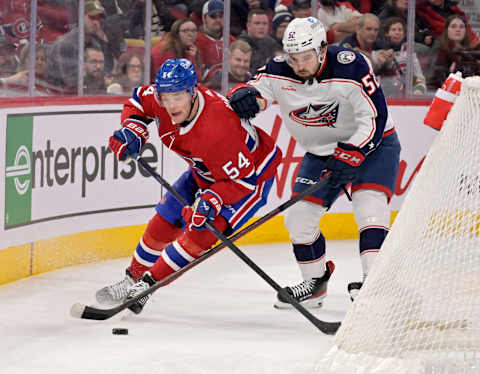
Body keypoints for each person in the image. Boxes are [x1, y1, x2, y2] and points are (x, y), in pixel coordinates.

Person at [227, 17, 401, 308]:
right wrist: (244, 98)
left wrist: (352, 152)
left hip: (373, 146)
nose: (299, 65)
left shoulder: (351, 65)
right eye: (294, 58)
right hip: (321, 152)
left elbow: (374, 117)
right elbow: (256, 91)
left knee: (369, 207)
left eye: (306, 57)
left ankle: (375, 283)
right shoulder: (279, 68)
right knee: (298, 219)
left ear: (322, 49)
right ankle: (315, 284)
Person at [97, 58, 282, 314]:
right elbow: (138, 102)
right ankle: (131, 280)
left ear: (192, 92)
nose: (170, 105)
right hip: (204, 170)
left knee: (201, 231)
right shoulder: (161, 98)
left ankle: (146, 286)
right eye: (165, 97)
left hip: (250, 178)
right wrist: (133, 129)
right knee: (166, 217)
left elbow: (241, 181)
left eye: (177, 97)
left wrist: (210, 200)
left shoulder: (219, 128)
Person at [426, 15, 480, 90]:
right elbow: (434, 80)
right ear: (446, 30)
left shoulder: (470, 51)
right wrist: (450, 72)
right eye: (453, 26)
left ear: (465, 30)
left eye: (461, 27)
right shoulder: (439, 49)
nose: (458, 30)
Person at [379, 17, 427, 97]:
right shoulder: (380, 51)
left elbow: (419, 77)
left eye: (400, 30)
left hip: (406, 97)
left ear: (404, 34)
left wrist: (419, 90)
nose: (397, 32)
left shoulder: (409, 52)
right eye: (393, 30)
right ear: (386, 33)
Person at [238, 9, 282, 73]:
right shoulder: (240, 44)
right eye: (257, 23)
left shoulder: (271, 43)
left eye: (264, 24)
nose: (261, 27)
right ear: (248, 26)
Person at [196, 0, 236, 70]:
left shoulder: (232, 41)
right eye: (213, 16)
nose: (218, 20)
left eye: (221, 16)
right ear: (204, 18)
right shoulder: (196, 41)